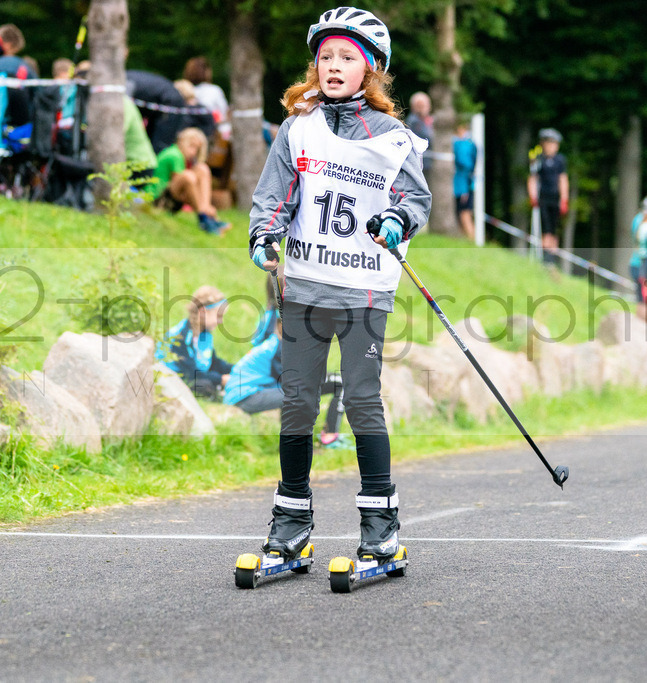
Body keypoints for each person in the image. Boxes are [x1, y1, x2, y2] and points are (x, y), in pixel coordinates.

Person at [246, 7, 431, 570]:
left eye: (347, 57)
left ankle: (380, 527)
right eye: (326, 56)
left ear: (370, 69)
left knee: (360, 400)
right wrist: (264, 234)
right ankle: (291, 522)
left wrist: (396, 220)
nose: (333, 65)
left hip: (363, 291)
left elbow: (414, 199)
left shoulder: (393, 138)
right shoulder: (297, 128)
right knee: (297, 402)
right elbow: (275, 195)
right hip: (305, 287)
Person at [223, 314, 348, 446]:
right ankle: (297, 443)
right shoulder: (279, 348)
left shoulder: (278, 344)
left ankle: (306, 439)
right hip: (245, 396)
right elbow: (292, 381)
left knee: (329, 384)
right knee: (296, 393)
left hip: (247, 393)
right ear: (281, 326)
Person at [157, 285, 233, 399]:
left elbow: (213, 362)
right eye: (218, 316)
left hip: (194, 375)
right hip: (173, 378)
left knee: (213, 380)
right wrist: (221, 379)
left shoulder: (205, 334)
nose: (220, 321)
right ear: (203, 312)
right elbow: (191, 373)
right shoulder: (181, 336)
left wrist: (236, 369)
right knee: (204, 385)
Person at [149, 127, 230, 234]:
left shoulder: (181, 157)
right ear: (183, 142)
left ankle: (206, 210)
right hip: (158, 199)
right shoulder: (175, 155)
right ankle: (204, 215)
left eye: (197, 149)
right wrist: (199, 201)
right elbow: (184, 184)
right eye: (191, 146)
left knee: (202, 168)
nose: (193, 152)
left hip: (171, 195)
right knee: (188, 177)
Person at [527, 127, 569, 265]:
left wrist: (564, 199)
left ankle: (552, 257)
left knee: (554, 228)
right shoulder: (538, 159)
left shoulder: (560, 160)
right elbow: (533, 178)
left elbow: (563, 179)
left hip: (555, 198)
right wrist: (532, 196)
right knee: (545, 228)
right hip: (543, 198)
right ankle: (546, 257)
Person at [183, 56, 230, 140]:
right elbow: (223, 113)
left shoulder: (184, 89)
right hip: (211, 134)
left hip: (188, 135)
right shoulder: (214, 90)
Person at [452, 118, 478, 241]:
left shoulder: (464, 144)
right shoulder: (469, 143)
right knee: (461, 215)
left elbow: (465, 163)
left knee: (465, 214)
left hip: (463, 186)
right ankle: (466, 241)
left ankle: (472, 242)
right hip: (463, 184)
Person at [404, 92, 434, 173]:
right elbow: (427, 138)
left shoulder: (426, 120)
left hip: (426, 162)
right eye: (420, 106)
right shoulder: (414, 122)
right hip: (420, 163)